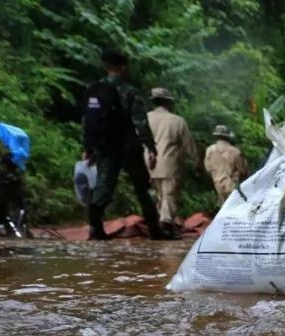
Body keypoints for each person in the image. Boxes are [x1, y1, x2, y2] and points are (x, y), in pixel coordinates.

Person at [81, 48, 166, 240]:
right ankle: (155, 230)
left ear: (106, 66)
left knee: (104, 187)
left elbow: (87, 121)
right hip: (128, 146)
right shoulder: (129, 91)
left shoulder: (95, 90)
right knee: (142, 188)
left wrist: (88, 147)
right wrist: (150, 147)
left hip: (103, 146)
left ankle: (96, 229)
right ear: (123, 67)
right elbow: (140, 123)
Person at [146, 87, 196, 237]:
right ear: (168, 102)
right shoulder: (177, 121)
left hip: (149, 164)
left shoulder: (145, 118)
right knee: (169, 196)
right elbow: (189, 145)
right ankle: (166, 226)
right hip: (169, 164)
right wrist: (197, 162)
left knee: (159, 196)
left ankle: (158, 225)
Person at [203, 125, 249, 206]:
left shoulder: (210, 150)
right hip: (233, 185)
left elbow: (208, 168)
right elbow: (243, 171)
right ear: (228, 137)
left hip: (218, 184)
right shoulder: (235, 151)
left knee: (223, 208)